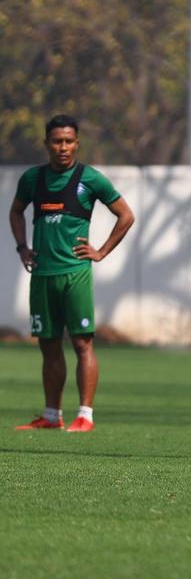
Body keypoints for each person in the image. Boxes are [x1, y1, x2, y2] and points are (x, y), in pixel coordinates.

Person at [8, 115, 135, 433]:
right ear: (46, 143)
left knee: (82, 344)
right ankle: (52, 416)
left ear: (77, 143)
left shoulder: (89, 179)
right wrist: (22, 246)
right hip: (42, 275)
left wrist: (101, 252)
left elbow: (126, 215)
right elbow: (15, 211)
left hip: (75, 273)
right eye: (56, 141)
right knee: (48, 346)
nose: (62, 147)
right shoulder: (33, 179)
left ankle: (85, 416)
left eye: (68, 141)